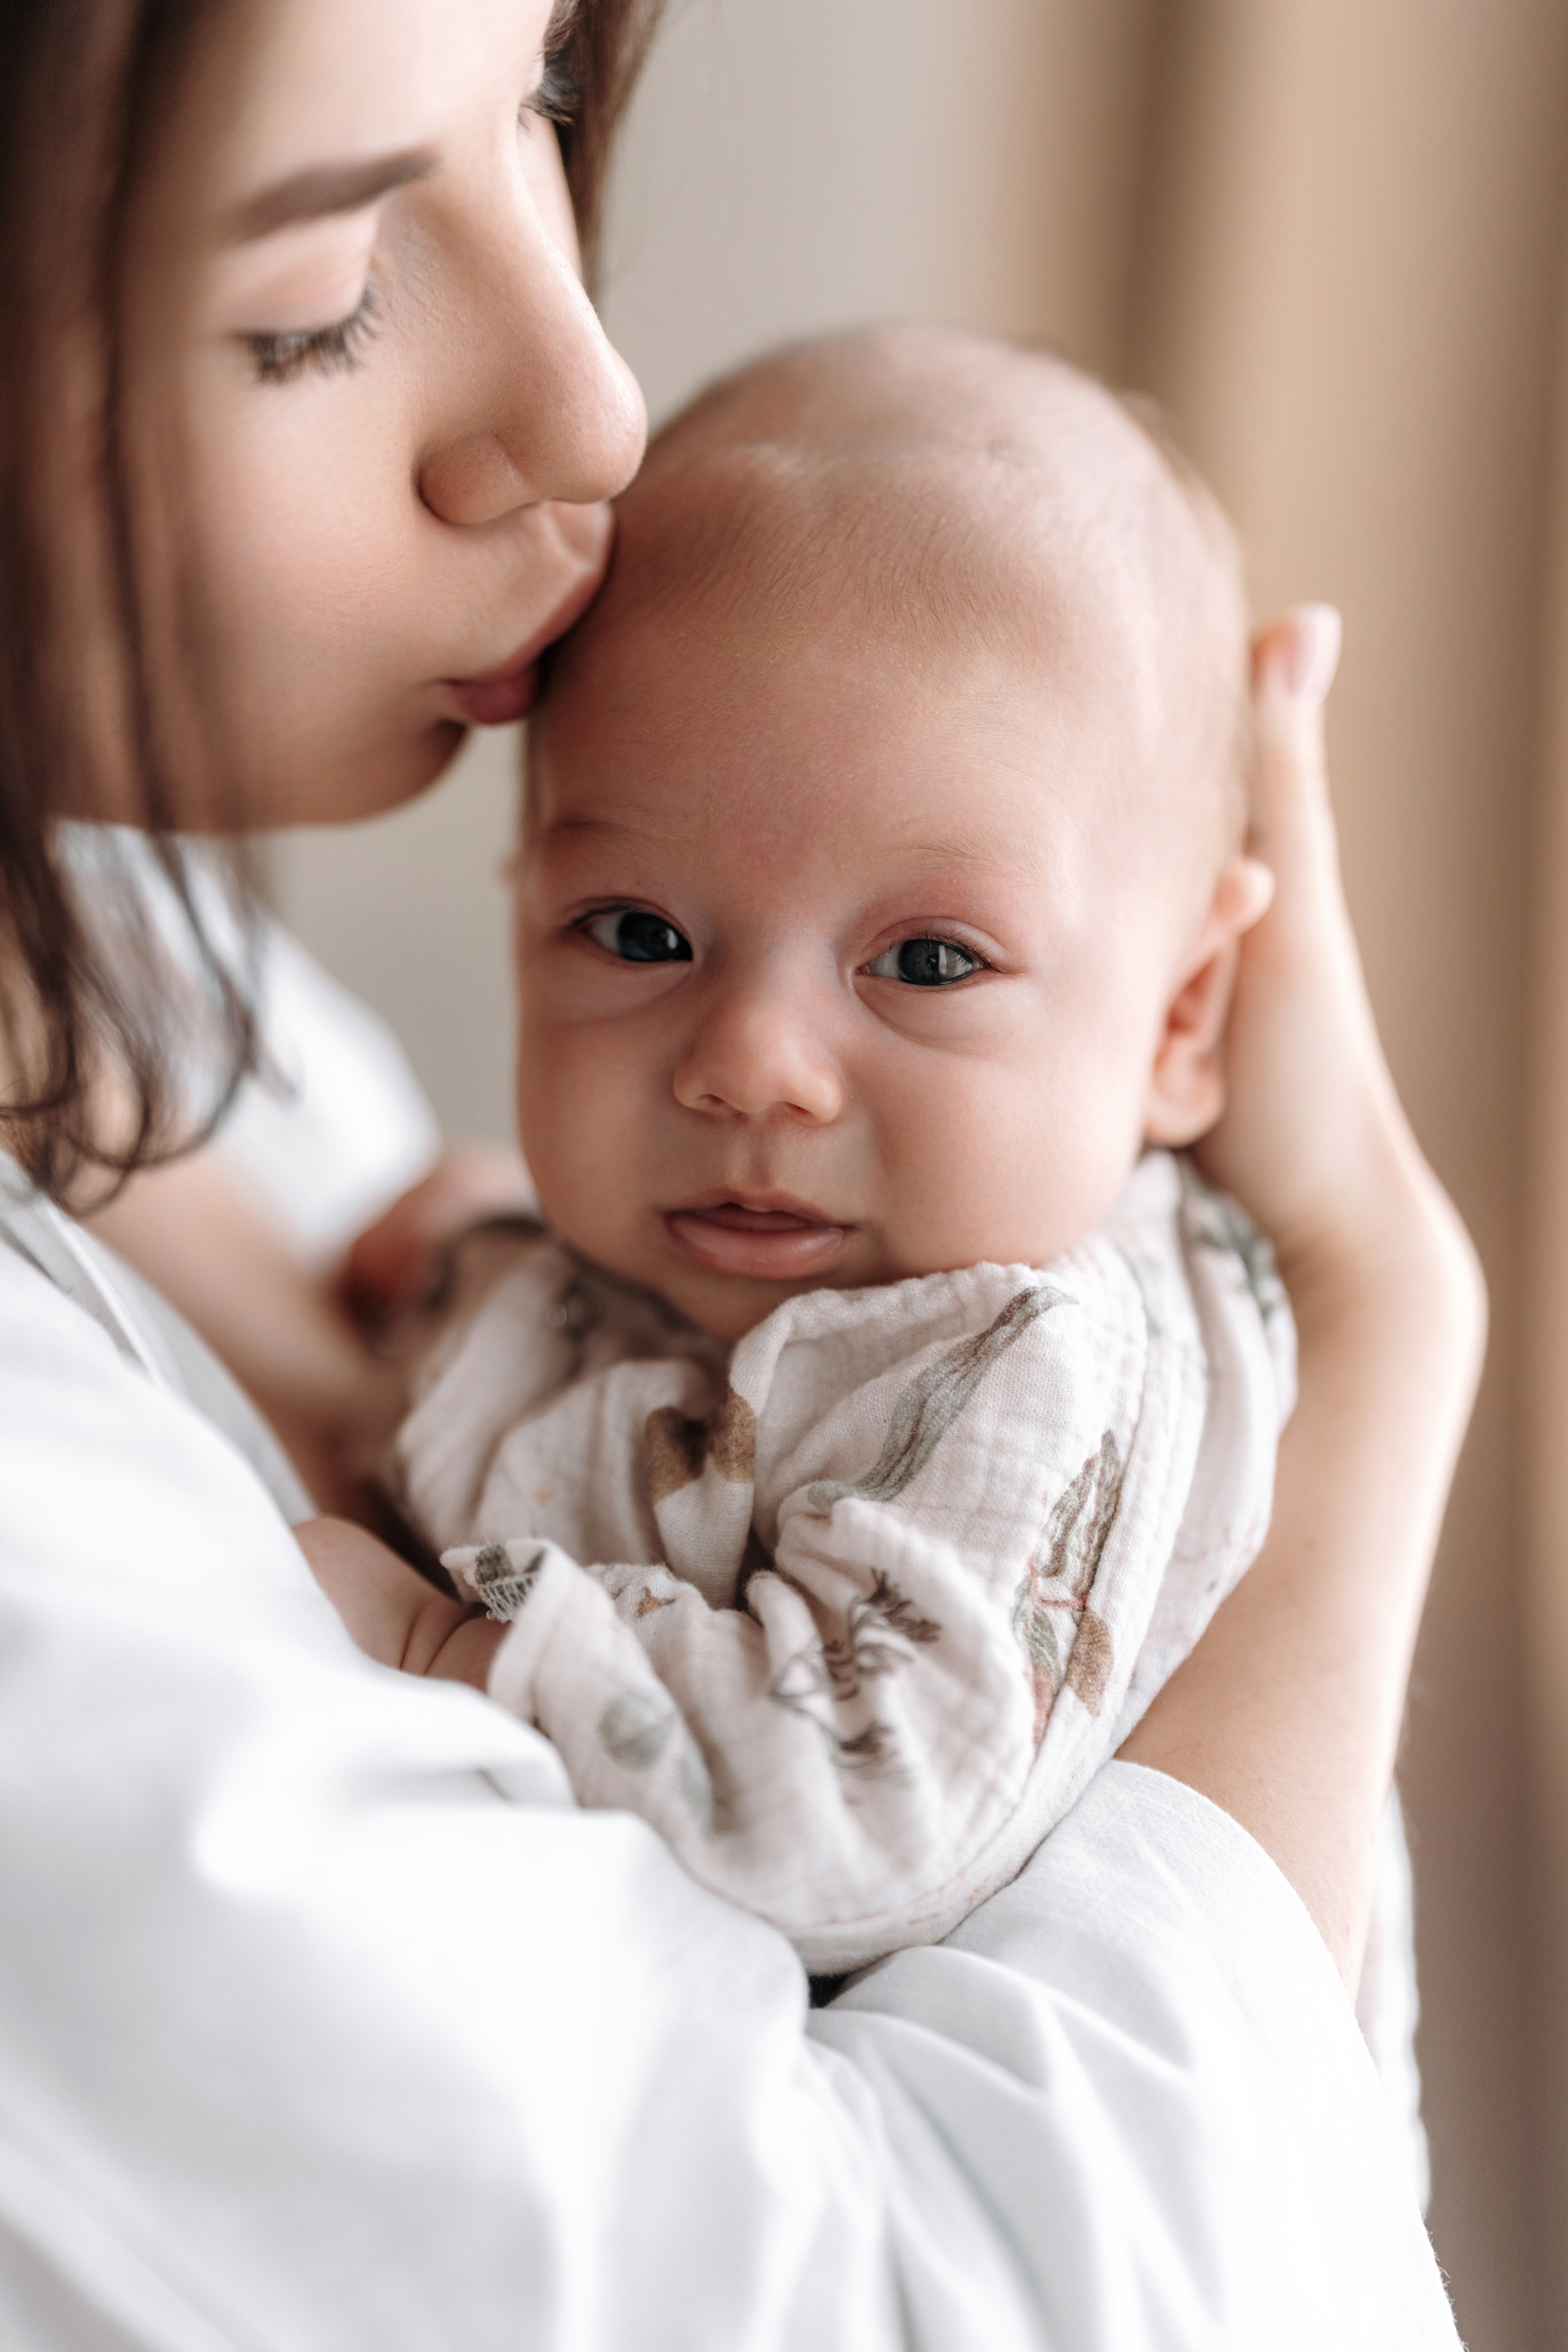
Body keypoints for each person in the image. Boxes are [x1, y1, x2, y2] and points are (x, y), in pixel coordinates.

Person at [0, 1, 1482, 2345]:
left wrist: (449, 1597)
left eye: (544, 110)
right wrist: (1386, 1332)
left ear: (1183, 1003)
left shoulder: (143, 954)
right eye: (314, 300)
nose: (596, 405)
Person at [307, 328, 1300, 1978]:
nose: (748, 1065)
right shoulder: (755, 1257)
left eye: (925, 963)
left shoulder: (1034, 1356)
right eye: (636, 931)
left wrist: (448, 1645)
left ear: (1182, 1018)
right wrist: (488, 1271)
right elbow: (658, 1414)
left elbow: (854, 1820)